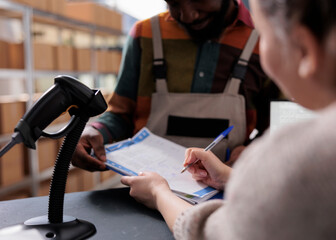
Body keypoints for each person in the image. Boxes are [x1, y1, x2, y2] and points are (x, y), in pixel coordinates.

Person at [121, 0, 336, 239]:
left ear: (304, 49)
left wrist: (159, 192)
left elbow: (213, 234)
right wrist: (231, 178)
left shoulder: (305, 157)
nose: (189, 15)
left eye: (263, 36)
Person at [71, 0, 280, 172]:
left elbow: (282, 126)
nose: (187, 15)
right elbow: (122, 114)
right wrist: (93, 131)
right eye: (174, 3)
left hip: (231, 196)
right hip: (147, 193)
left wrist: (254, 153)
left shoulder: (267, 40)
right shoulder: (145, 35)